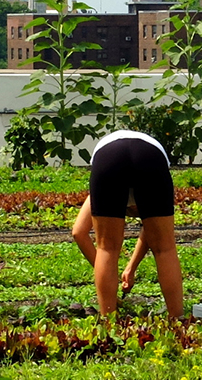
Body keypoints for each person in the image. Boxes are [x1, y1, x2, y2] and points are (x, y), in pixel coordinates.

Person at [73, 130, 184, 318]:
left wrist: (112, 273)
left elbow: (78, 232)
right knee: (165, 248)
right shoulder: (145, 201)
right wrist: (115, 277)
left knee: (106, 249)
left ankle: (109, 326)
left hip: (109, 156)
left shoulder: (98, 197)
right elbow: (153, 234)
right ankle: (178, 320)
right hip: (150, 155)